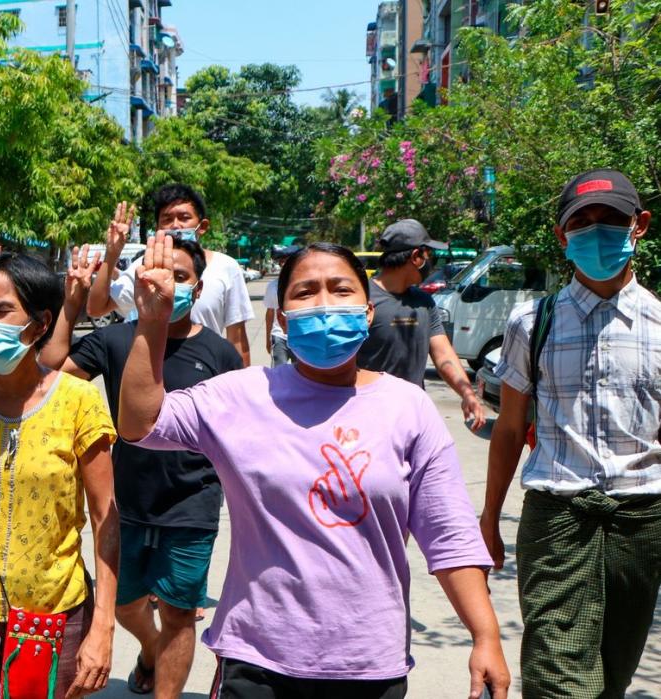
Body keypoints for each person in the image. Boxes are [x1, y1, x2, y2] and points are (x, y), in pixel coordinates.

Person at [118, 236, 510, 698]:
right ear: (282, 319)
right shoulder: (241, 395)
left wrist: (485, 636)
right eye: (305, 292)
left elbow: (450, 536)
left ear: (368, 312)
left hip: (369, 664)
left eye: (341, 290)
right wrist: (153, 323)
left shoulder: (408, 407)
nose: (324, 304)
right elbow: (141, 423)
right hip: (257, 659)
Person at [480, 168, 660, 698]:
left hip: (643, 523)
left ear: (640, 225)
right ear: (562, 236)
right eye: (582, 221)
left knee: (611, 678)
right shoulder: (531, 323)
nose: (596, 230)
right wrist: (489, 517)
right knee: (560, 682)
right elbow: (511, 429)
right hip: (558, 518)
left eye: (611, 219)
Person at [40, 240, 241, 699]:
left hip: (192, 505)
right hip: (123, 504)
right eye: (155, 272)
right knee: (127, 605)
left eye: (182, 276)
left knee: (178, 612)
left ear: (199, 286)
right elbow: (49, 376)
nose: (169, 284)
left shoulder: (219, 355)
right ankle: (149, 647)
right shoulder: (114, 339)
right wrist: (71, 306)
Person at [0, 252, 120, 699]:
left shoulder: (78, 401)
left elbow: (105, 519)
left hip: (54, 618)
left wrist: (103, 628)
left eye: (1, 311)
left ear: (40, 324)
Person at [86, 186, 255, 366]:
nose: (175, 226)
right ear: (158, 228)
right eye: (167, 219)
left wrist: (241, 388)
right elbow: (96, 309)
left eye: (184, 218)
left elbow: (237, 340)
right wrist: (111, 255)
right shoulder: (142, 267)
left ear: (202, 226)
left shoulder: (226, 267)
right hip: (147, 372)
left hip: (204, 377)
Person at [357, 219, 486, 430]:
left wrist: (467, 393)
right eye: (429, 254)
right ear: (416, 257)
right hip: (368, 420)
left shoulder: (425, 303)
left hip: (412, 418)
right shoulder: (362, 301)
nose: (431, 262)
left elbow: (443, 355)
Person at [264, 245, 301, 367]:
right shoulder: (273, 286)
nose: (284, 264)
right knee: (279, 374)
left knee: (303, 376)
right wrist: (268, 338)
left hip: (300, 336)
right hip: (279, 336)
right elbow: (270, 313)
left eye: (288, 261)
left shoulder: (304, 285)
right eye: (282, 261)